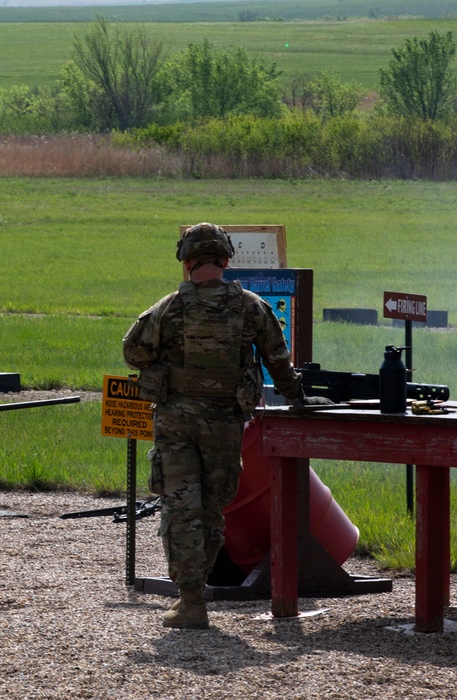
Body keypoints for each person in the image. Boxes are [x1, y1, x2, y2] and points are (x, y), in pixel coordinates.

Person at [122, 222, 332, 630]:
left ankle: (191, 601)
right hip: (224, 422)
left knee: (182, 508)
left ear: (187, 262)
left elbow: (133, 352)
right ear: (226, 260)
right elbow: (277, 359)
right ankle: (197, 589)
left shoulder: (168, 307)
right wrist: (297, 400)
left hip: (177, 421)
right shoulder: (251, 305)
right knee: (213, 509)